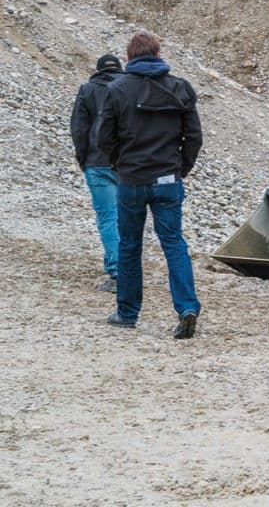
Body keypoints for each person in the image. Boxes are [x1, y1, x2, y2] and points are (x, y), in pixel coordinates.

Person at [94, 31, 203, 339]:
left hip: (131, 180)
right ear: (158, 55)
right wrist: (181, 168)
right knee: (174, 244)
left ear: (129, 58)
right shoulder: (180, 87)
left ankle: (127, 313)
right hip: (168, 179)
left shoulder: (117, 89)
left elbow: (103, 138)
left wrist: (120, 164)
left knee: (130, 246)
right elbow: (194, 136)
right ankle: (187, 307)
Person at [70, 53, 124, 291]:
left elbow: (79, 129)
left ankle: (117, 271)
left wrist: (84, 160)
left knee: (108, 217)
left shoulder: (87, 90)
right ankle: (130, 268)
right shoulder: (130, 88)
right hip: (129, 165)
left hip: (98, 163)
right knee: (128, 218)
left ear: (98, 70)